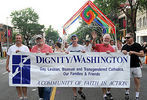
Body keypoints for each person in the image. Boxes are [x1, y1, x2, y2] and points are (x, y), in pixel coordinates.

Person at [6, 34, 30, 100]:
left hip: (24, 67)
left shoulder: (25, 48)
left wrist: (21, 52)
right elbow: (8, 58)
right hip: (14, 67)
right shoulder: (11, 48)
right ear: (15, 39)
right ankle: (20, 96)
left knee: (24, 82)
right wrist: (7, 66)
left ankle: (25, 96)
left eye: (19, 38)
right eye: (17, 38)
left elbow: (28, 57)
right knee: (17, 83)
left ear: (21, 39)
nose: (18, 39)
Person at [91, 32, 115, 100]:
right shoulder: (99, 46)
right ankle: (104, 94)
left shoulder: (112, 48)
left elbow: (115, 58)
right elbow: (93, 45)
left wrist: (111, 54)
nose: (106, 39)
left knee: (110, 81)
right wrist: (94, 39)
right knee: (103, 81)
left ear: (110, 40)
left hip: (109, 67)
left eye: (108, 38)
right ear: (102, 39)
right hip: (101, 67)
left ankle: (108, 91)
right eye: (105, 38)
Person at [121, 33, 144, 100]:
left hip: (136, 66)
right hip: (127, 67)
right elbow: (119, 56)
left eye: (128, 38)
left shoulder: (137, 45)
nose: (126, 39)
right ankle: (127, 93)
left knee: (137, 82)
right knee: (127, 81)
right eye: (126, 38)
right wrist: (122, 52)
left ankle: (137, 96)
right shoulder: (124, 46)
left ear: (132, 38)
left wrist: (134, 52)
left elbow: (142, 54)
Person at [31, 35, 53, 100]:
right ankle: (42, 97)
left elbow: (54, 58)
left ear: (43, 40)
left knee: (47, 90)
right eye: (37, 39)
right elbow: (30, 59)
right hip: (38, 72)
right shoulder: (33, 48)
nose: (39, 40)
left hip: (47, 71)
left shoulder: (48, 47)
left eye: (40, 39)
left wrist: (49, 55)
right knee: (41, 88)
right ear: (36, 41)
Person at [65, 34, 86, 100]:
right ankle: (75, 95)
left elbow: (86, 57)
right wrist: (66, 53)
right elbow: (65, 56)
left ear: (77, 39)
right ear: (71, 40)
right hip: (72, 67)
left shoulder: (81, 47)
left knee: (81, 81)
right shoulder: (69, 48)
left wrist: (84, 53)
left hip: (80, 67)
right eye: (72, 38)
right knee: (73, 81)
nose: (74, 40)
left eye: (75, 38)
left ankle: (80, 90)